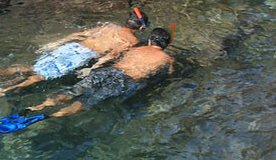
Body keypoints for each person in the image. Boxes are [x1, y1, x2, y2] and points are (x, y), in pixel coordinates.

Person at [0, 8, 150, 97]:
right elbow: (111, 55)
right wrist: (92, 67)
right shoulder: (133, 41)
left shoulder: (109, 26)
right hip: (82, 56)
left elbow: (79, 34)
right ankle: (3, 91)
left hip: (71, 47)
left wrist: (55, 42)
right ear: (141, 27)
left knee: (31, 67)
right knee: (40, 76)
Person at [25, 27, 174, 118]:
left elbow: (114, 56)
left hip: (109, 70)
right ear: (166, 44)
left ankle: (37, 107)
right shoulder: (167, 59)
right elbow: (167, 74)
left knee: (73, 91)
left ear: (149, 41)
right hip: (125, 81)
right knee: (86, 102)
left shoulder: (136, 49)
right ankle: (50, 116)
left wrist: (95, 66)